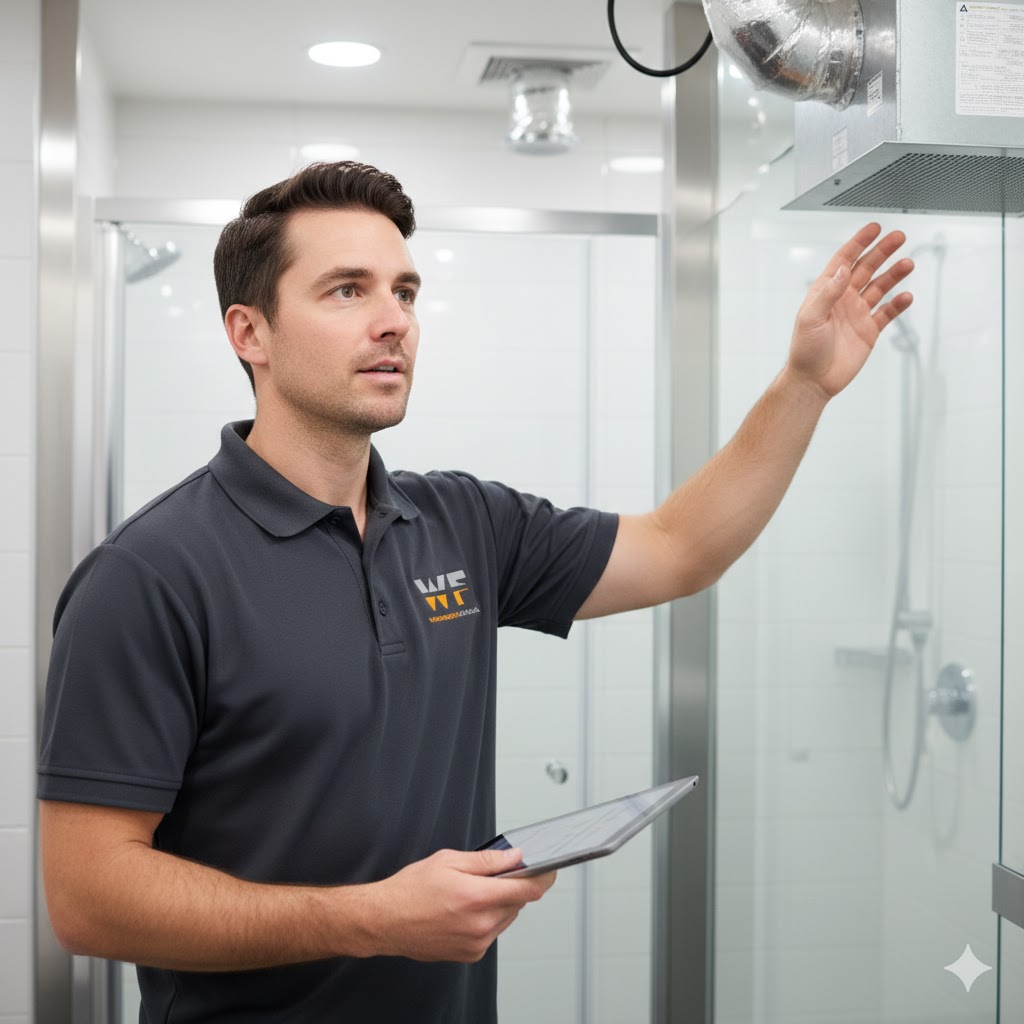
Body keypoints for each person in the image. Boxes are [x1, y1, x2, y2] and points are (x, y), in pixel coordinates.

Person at [37, 161, 914, 1023]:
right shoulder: (148, 576)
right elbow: (88, 897)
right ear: (249, 333)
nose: (394, 323)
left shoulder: (460, 522)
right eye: (348, 291)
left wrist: (803, 386)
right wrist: (370, 918)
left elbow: (679, 549)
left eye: (406, 293)